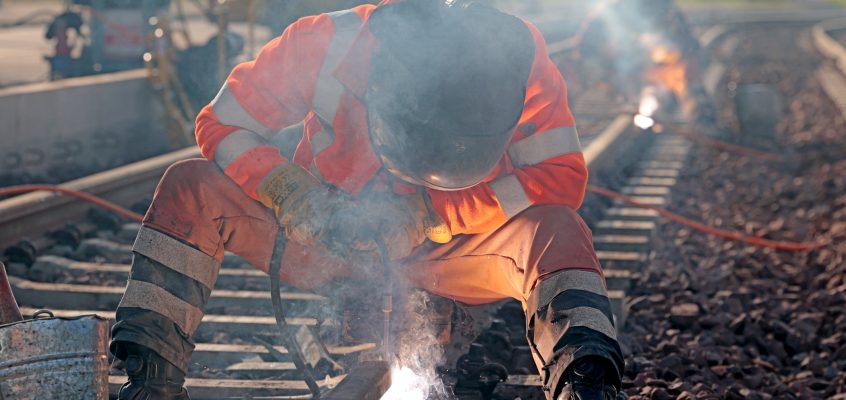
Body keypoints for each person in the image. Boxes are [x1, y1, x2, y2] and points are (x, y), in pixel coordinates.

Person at [109, 1, 624, 399]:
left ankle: (586, 381)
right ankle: (149, 378)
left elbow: (561, 176)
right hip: (328, 239)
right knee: (190, 186)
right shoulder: (324, 43)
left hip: (452, 254)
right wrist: (290, 191)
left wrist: (432, 215)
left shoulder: (514, 58)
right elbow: (220, 122)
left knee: (557, 228)